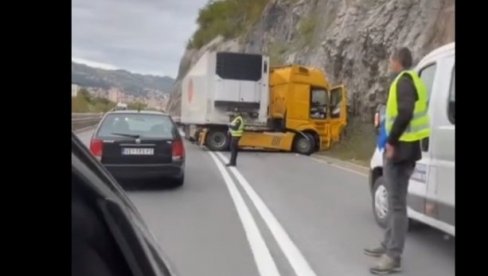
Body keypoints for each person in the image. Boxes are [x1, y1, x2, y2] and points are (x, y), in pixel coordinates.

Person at [365, 47, 430, 275]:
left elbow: (404, 113)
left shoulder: (403, 81)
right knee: (395, 203)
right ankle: (387, 245)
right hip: (407, 150)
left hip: (400, 152)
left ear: (398, 61)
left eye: (391, 59)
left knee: (397, 205)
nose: (389, 63)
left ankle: (393, 257)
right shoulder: (413, 79)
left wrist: (391, 142)